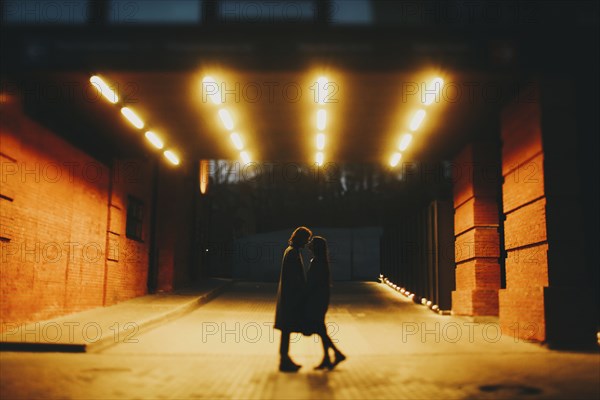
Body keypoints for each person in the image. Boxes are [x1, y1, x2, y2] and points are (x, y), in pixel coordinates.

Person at [304, 236, 346, 370]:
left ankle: (336, 354)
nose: (308, 244)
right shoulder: (321, 261)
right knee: (320, 328)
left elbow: (312, 282)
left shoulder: (316, 261)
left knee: (320, 328)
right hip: (321, 298)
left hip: (316, 299)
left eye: (311, 242)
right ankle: (328, 357)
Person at [274, 226, 312, 372]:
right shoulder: (292, 254)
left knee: (287, 329)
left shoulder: (291, 251)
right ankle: (284, 360)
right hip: (290, 298)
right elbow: (294, 278)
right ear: (300, 238)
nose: (307, 242)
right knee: (287, 328)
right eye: (306, 239)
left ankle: (285, 359)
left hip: (289, 297)